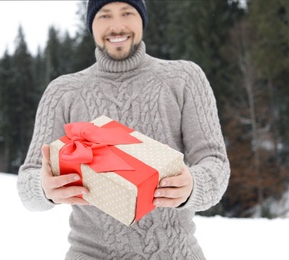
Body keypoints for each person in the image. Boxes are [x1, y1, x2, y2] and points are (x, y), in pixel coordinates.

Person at [17, 0, 230, 259]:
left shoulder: (184, 78)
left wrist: (193, 185)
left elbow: (215, 163)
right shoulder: (63, 92)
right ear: (91, 26)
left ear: (142, 18)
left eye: (127, 12)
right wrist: (43, 188)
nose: (117, 26)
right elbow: (28, 182)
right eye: (104, 15)